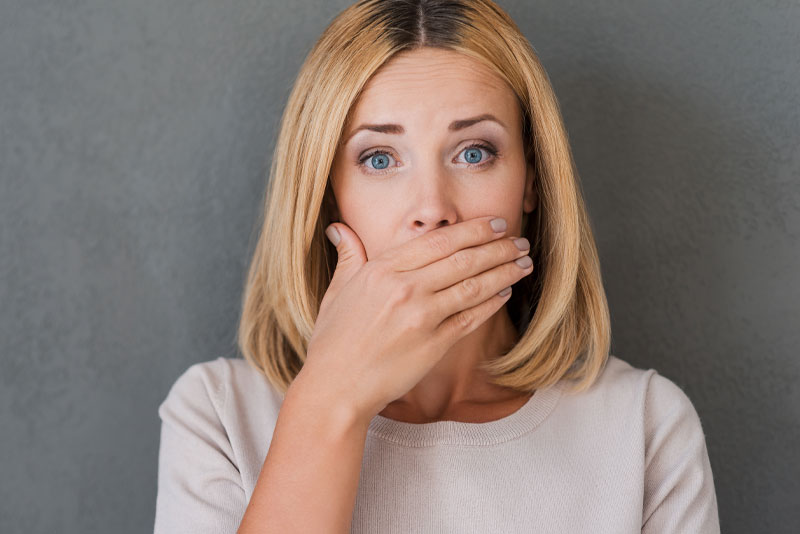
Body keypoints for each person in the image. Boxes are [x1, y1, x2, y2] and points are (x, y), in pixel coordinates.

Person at [153, 1, 721, 532]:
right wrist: (330, 400)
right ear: (327, 197)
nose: (432, 210)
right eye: (379, 158)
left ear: (531, 181)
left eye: (474, 152)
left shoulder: (643, 426)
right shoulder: (220, 416)